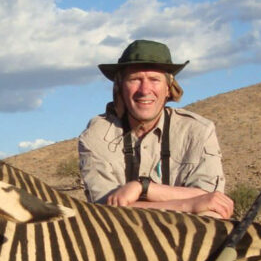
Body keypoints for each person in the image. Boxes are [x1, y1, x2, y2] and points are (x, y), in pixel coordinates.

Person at [78, 40, 234, 219]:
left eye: (154, 80)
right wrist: (189, 204)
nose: (145, 90)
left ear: (168, 88)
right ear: (120, 88)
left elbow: (213, 201)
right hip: (120, 232)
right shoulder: (96, 136)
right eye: (135, 79)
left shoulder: (198, 130)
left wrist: (142, 188)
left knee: (211, 216)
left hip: (187, 231)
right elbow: (106, 210)